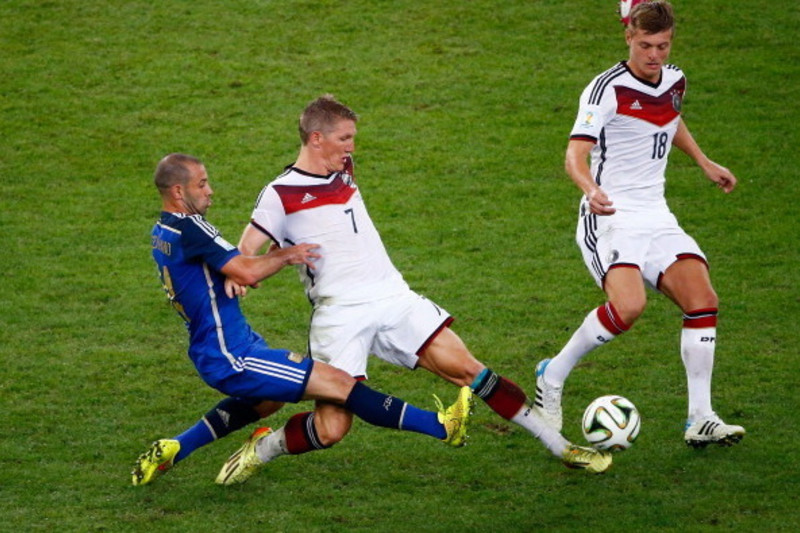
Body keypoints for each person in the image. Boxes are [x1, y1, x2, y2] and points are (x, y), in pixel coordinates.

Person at [214, 94, 612, 486]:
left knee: (470, 370)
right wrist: (239, 274)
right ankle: (265, 448)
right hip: (339, 314)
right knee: (332, 428)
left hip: (393, 296)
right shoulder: (279, 194)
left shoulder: (344, 168)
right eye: (344, 138)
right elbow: (246, 252)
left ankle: (561, 447)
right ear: (316, 139)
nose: (352, 147)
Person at [131, 153, 474, 486]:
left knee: (268, 401)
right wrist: (287, 254)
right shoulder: (191, 228)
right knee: (341, 385)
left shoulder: (163, 231)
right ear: (179, 191)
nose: (210, 191)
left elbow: (221, 272)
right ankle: (443, 426)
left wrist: (238, 271)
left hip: (224, 344)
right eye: (202, 184)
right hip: (232, 355)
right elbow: (246, 272)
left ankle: (177, 446)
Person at [533, 0, 745, 448]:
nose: (654, 55)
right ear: (628, 36)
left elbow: (669, 117)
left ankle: (701, 418)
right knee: (628, 308)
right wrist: (590, 190)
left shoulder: (675, 79)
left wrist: (704, 162)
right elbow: (575, 154)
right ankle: (552, 375)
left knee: (703, 299)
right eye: (646, 45)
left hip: (657, 213)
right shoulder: (604, 89)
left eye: (663, 46)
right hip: (611, 215)